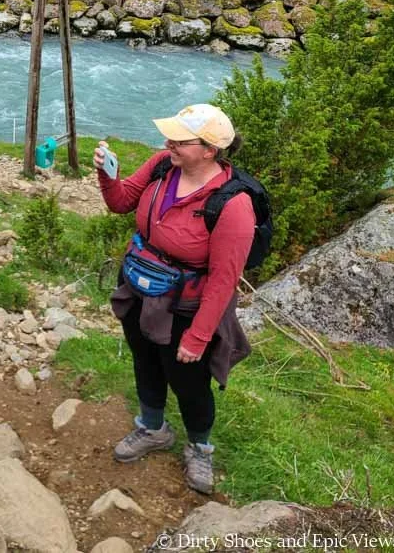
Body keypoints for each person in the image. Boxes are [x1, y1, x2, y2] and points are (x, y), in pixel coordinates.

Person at [94, 103, 253, 495]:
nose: (169, 143)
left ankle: (200, 449)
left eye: (181, 140)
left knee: (189, 380)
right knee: (145, 360)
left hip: (187, 305)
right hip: (140, 287)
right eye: (170, 136)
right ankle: (153, 428)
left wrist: (199, 336)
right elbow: (120, 202)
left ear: (209, 150)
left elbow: (223, 280)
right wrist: (106, 174)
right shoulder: (163, 165)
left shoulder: (232, 205)